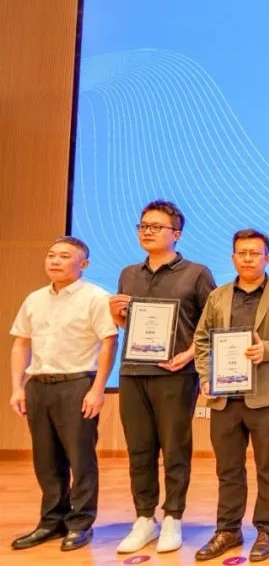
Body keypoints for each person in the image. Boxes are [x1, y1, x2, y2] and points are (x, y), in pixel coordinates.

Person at [192, 229, 269, 563]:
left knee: (267, 470)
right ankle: (228, 530)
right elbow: (201, 340)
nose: (247, 258)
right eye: (241, 253)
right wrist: (205, 375)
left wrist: (267, 349)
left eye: (254, 253)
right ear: (233, 258)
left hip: (265, 397)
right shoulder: (218, 296)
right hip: (224, 397)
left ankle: (267, 529)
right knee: (228, 470)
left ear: (266, 258)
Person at [109, 200, 216, 554]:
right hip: (133, 371)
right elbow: (129, 326)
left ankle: (173, 517)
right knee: (139, 449)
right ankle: (144, 518)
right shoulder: (128, 273)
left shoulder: (196, 273)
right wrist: (117, 316)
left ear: (176, 234)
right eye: (143, 226)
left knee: (174, 448)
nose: (147, 232)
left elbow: (211, 323)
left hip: (176, 373)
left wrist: (190, 354)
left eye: (156, 226)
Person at [9, 236, 118, 553]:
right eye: (51, 255)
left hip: (77, 384)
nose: (55, 261)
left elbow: (109, 343)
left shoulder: (96, 297)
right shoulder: (34, 299)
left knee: (81, 459)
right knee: (46, 459)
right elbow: (21, 343)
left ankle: (80, 523)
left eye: (64, 256)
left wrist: (98, 389)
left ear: (83, 264)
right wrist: (17, 387)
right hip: (38, 385)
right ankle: (51, 521)